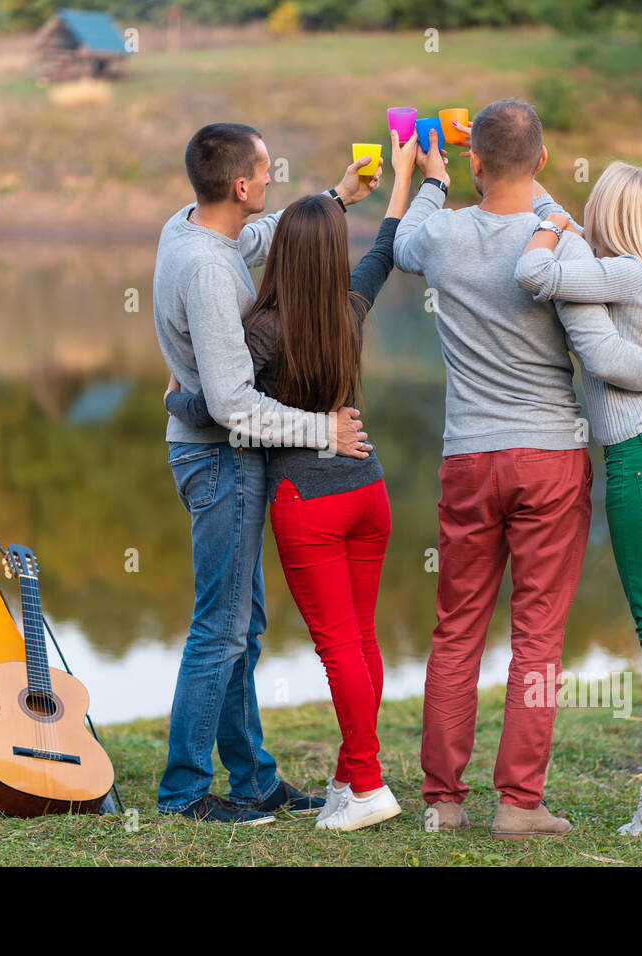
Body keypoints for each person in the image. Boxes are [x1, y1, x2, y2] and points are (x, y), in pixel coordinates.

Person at [393, 99, 642, 840]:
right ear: (543, 162)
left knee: (456, 632)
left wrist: (429, 175)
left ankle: (442, 803)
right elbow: (597, 352)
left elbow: (404, 241)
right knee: (538, 635)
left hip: (469, 457)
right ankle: (519, 803)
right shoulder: (563, 245)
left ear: (473, 162)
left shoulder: (442, 235)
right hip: (548, 455)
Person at [167, 128, 424, 832]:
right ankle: (349, 773)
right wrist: (415, 180)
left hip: (306, 499)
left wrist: (175, 395)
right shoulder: (352, 308)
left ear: (277, 253)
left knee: (327, 643)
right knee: (362, 639)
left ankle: (363, 782)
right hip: (367, 487)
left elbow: (222, 403)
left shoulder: (260, 329)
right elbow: (384, 252)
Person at [515, 160, 642, 837]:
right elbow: (558, 222)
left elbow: (535, 275)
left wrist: (546, 225)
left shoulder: (622, 273)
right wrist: (526, 181)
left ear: (612, 215)